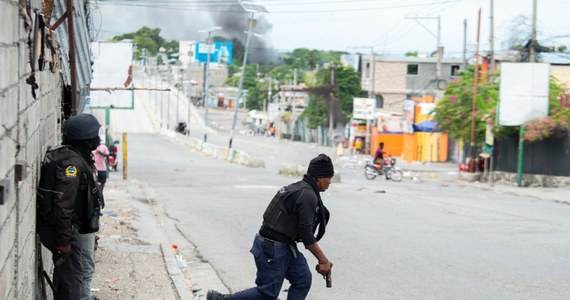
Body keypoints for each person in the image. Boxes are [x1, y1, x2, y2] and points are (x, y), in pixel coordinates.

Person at [207, 154, 335, 300]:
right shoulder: (307, 195)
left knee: (302, 279)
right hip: (273, 248)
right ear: (319, 177)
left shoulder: (302, 189)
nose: (330, 182)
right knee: (267, 293)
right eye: (328, 177)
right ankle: (220, 299)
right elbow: (306, 235)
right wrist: (323, 260)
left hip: (285, 246)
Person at [36, 113, 104, 300]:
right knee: (76, 278)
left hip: (76, 228)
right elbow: (63, 205)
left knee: (73, 276)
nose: (98, 139)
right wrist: (65, 241)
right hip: (70, 232)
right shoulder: (71, 164)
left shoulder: (78, 157)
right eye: (94, 136)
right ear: (85, 138)